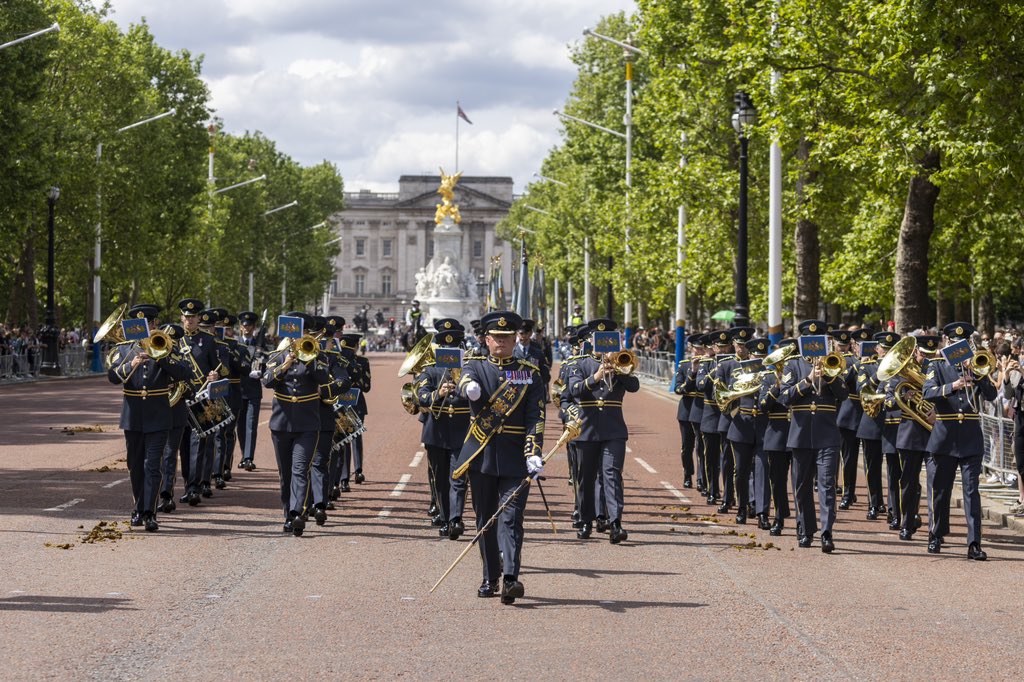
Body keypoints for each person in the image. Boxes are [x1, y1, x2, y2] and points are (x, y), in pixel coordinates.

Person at [453, 311, 545, 604]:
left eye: (508, 338)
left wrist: (533, 452)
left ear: (514, 338)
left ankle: (510, 578)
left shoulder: (528, 372)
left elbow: (535, 416)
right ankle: (490, 575)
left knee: (511, 518)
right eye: (497, 338)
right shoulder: (476, 367)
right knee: (485, 520)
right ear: (487, 339)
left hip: (516, 457)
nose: (502, 343)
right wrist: (467, 389)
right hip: (482, 456)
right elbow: (464, 380)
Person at [107, 304, 191, 532]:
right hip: (133, 416)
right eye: (141, 324)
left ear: (154, 324)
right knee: (135, 466)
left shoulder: (166, 347)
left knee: (153, 465)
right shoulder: (123, 350)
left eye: (151, 323)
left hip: (158, 415)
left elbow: (185, 372)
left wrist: (161, 357)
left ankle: (150, 512)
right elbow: (112, 377)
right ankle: (137, 508)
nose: (148, 327)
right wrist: (131, 364)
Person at [922, 322, 996, 559]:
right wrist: (953, 386)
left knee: (972, 492)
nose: (960, 348)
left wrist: (977, 373)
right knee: (940, 491)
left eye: (964, 344)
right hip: (944, 436)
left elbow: (992, 395)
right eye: (956, 344)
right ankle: (935, 534)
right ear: (949, 343)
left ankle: (974, 543)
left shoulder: (976, 365)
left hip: (970, 438)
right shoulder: (936, 365)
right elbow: (927, 392)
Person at [567, 318, 640, 543]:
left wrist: (618, 369)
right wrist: (597, 376)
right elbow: (575, 389)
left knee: (611, 474)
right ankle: (586, 520)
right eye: (599, 339)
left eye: (608, 339)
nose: (603, 343)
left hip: (613, 429)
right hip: (587, 429)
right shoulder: (579, 363)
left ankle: (615, 522)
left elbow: (634, 386)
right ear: (591, 340)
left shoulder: (620, 363)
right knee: (586, 477)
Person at [778, 319, 848, 553]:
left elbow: (844, 395)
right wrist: (807, 381)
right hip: (800, 434)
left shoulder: (834, 364)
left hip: (827, 435)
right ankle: (805, 529)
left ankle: (827, 532)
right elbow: (785, 397)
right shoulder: (793, 365)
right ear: (803, 342)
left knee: (827, 486)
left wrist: (828, 375)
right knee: (801, 486)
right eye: (810, 341)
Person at [262, 312, 330, 536]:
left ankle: (296, 513)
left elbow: (323, 378)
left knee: (300, 469)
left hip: (307, 424)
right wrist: (286, 363)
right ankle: (287, 514)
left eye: (303, 334)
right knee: (286, 474)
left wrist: (307, 360)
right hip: (281, 423)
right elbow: (267, 380)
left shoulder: (318, 355)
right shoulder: (277, 355)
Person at [415, 319, 471, 538]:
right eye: (446, 348)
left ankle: (456, 518)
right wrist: (437, 394)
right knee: (440, 480)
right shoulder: (429, 370)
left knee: (458, 477)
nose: (449, 351)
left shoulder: (468, 369)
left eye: (453, 346)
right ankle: (447, 518)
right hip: (436, 432)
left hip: (462, 430)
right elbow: (420, 396)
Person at [891, 334, 939, 541]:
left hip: (934, 433)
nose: (925, 358)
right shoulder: (899, 374)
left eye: (930, 354)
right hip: (910, 434)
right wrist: (903, 396)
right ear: (915, 352)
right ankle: (907, 524)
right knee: (908, 482)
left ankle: (935, 530)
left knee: (936, 483)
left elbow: (949, 396)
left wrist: (937, 409)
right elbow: (888, 401)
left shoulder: (936, 370)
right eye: (922, 354)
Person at [176, 299, 222, 506]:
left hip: (201, 398)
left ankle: (194, 487)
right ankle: (188, 483)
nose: (189, 320)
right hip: (179, 398)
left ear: (198, 319)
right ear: (182, 318)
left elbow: (219, 368)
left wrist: (216, 375)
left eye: (193, 317)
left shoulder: (208, 341)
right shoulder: (174, 340)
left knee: (199, 444)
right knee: (184, 446)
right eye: (186, 317)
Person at [235, 311, 266, 472]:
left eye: (249, 326)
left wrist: (262, 371)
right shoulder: (235, 343)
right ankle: (243, 454)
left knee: (251, 425)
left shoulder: (261, 344)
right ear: (240, 327)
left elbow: (266, 363)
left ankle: (249, 458)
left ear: (253, 327)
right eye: (244, 325)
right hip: (238, 389)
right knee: (240, 426)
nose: (246, 328)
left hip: (253, 389)